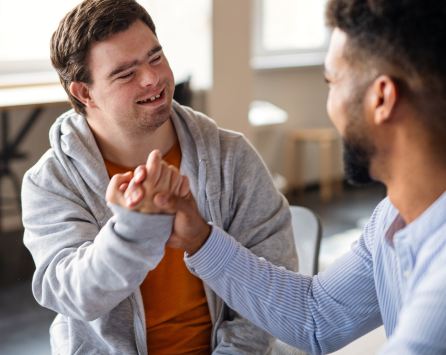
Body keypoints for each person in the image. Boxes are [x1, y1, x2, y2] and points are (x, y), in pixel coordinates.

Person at [115, 0, 446, 354]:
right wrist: (199, 238)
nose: (327, 103)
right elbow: (317, 317)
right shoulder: (391, 219)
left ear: (381, 98)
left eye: (331, 81)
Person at [21, 0, 298, 354]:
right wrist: (134, 231)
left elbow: (273, 285)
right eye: (125, 73)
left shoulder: (232, 156)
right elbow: (74, 297)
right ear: (84, 92)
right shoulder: (51, 181)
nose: (153, 78)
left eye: (155, 57)